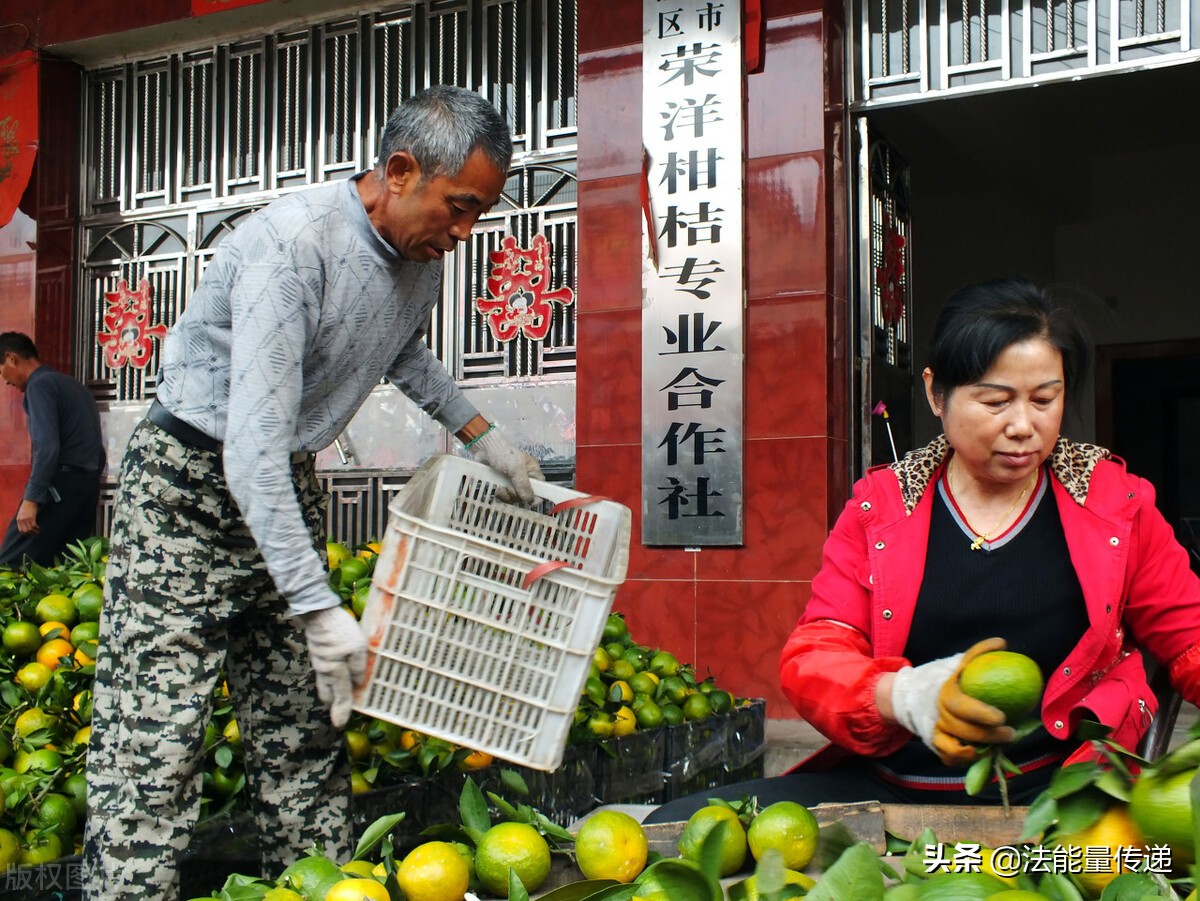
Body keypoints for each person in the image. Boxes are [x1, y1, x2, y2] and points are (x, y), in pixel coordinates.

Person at [83, 85, 545, 900]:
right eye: (460, 206)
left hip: (283, 481)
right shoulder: (292, 248)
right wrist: (317, 605)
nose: (465, 232)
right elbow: (250, 453)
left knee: (304, 728)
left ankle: (320, 887)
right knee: (155, 744)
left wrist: (484, 436)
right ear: (399, 171)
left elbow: (400, 349)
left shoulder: (420, 259)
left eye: (480, 211)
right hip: (187, 490)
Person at [646, 277, 1200, 823]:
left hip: (1059, 797)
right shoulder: (880, 509)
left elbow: (1189, 639)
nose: (1023, 426)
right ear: (937, 393)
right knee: (674, 824)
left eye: (1044, 399)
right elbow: (814, 655)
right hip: (890, 789)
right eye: (995, 401)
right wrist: (902, 695)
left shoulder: (1115, 505)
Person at [0, 332, 105, 568]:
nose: (5, 381)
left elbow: (46, 447)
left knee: (11, 565)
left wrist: (32, 499)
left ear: (11, 359)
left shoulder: (39, 385)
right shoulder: (75, 386)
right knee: (66, 569)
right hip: (86, 490)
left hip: (58, 487)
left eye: (1, 371)